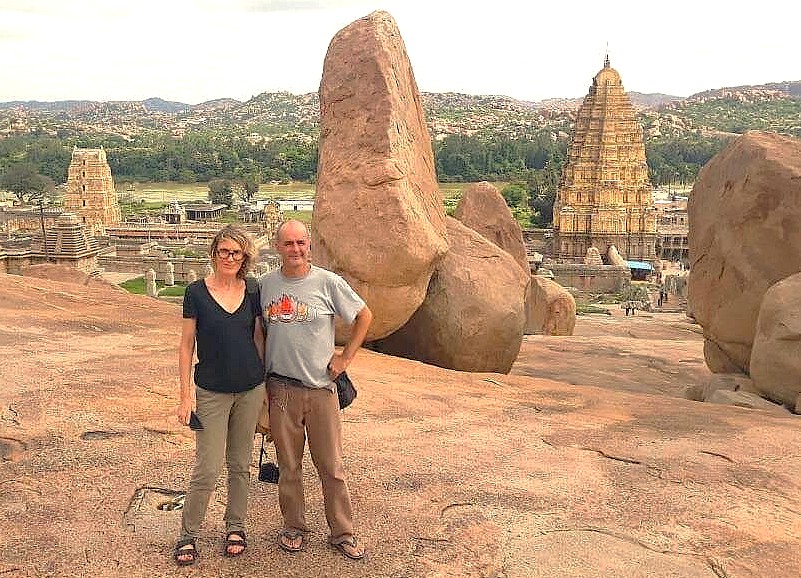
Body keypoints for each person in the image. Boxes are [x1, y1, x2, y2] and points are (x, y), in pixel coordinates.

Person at [260, 219, 373, 561]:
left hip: (322, 389)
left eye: (300, 243)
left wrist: (345, 357)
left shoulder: (327, 282)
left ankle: (342, 531)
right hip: (281, 390)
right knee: (289, 466)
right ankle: (294, 526)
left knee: (331, 466)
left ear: (309, 246)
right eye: (288, 243)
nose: (295, 249)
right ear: (277, 246)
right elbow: (258, 332)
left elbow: (364, 316)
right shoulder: (265, 285)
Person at [173, 225, 266, 566]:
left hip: (250, 387)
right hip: (211, 390)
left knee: (240, 464)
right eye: (224, 251)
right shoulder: (196, 292)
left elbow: (258, 339)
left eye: (236, 253)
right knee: (208, 468)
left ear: (244, 258)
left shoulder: (252, 290)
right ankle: (189, 533)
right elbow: (186, 346)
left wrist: (265, 386)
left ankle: (236, 526)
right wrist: (185, 397)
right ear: (214, 253)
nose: (229, 257)